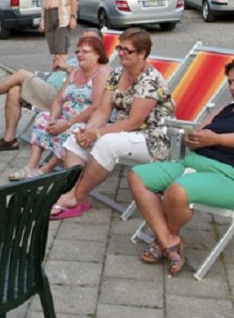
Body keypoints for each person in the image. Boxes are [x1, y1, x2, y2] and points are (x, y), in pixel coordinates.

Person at [128, 57, 234, 276]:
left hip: (232, 177)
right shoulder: (225, 109)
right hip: (192, 164)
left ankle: (165, 237)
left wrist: (218, 139)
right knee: (137, 176)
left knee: (178, 190)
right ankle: (168, 240)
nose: (232, 87)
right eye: (230, 82)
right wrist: (194, 139)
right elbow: (201, 132)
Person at [50, 27, 175, 220]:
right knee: (77, 135)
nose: (121, 53)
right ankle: (72, 191)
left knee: (107, 143)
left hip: (152, 139)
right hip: (124, 133)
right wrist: (89, 130)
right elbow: (103, 110)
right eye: (119, 48)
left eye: (127, 50)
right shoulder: (117, 75)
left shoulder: (150, 80)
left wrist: (98, 133)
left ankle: (77, 197)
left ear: (142, 54)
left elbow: (134, 121)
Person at [0, 28, 104, 153]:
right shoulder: (79, 55)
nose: (84, 44)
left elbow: (83, 76)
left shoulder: (98, 62)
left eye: (90, 41)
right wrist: (58, 66)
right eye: (82, 40)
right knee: (14, 90)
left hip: (60, 99)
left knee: (21, 74)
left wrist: (65, 66)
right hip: (49, 91)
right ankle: (9, 140)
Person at [9, 36, 111, 181]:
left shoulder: (102, 74)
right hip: (66, 117)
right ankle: (32, 165)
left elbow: (96, 107)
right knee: (42, 118)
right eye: (78, 51)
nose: (79, 55)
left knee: (74, 130)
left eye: (85, 51)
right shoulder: (75, 72)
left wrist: (66, 124)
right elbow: (58, 100)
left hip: (89, 121)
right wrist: (53, 119)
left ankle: (47, 168)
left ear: (98, 54)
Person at [38, 0, 79, 71]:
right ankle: (55, 75)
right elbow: (43, 2)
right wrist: (42, 21)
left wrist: (73, 17)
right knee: (54, 54)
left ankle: (63, 75)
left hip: (62, 16)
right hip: (48, 15)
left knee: (61, 51)